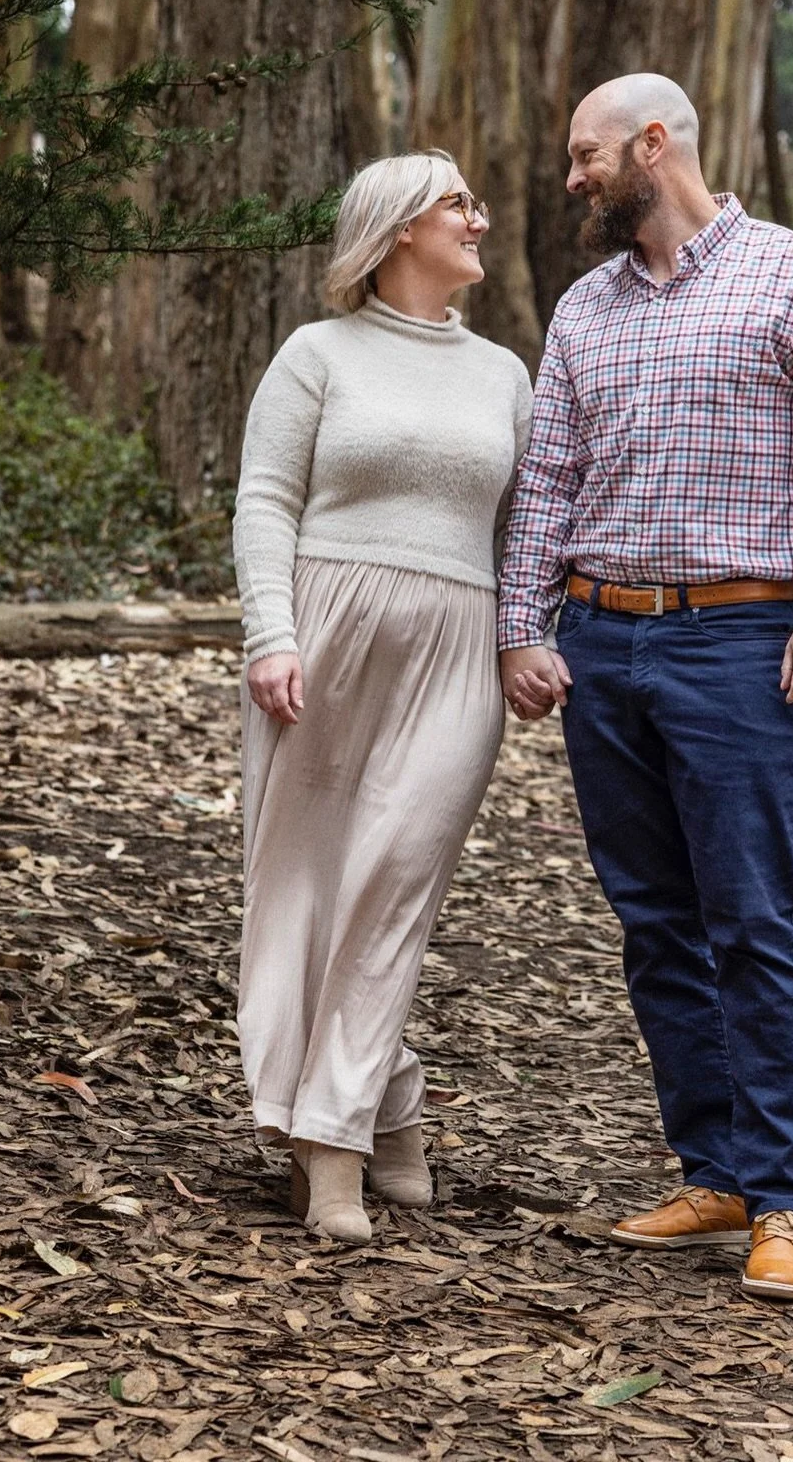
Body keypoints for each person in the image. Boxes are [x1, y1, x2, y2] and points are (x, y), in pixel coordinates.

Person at [498, 74, 793, 1303]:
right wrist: (523, 629)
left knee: (754, 922)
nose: (572, 178)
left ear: (652, 147)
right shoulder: (582, 311)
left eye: (586, 155)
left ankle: (785, 1203)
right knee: (656, 924)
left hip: (739, 644)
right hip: (602, 644)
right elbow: (547, 482)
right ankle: (711, 1171)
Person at [233, 151, 532, 1245]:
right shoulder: (317, 355)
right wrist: (272, 634)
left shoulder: (504, 374)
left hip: (455, 656)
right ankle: (377, 1116)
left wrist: (525, 639)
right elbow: (264, 500)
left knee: (391, 888)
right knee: (307, 890)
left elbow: (527, 532)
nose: (481, 219)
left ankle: (334, 1146)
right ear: (400, 226)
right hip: (322, 641)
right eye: (461, 203)